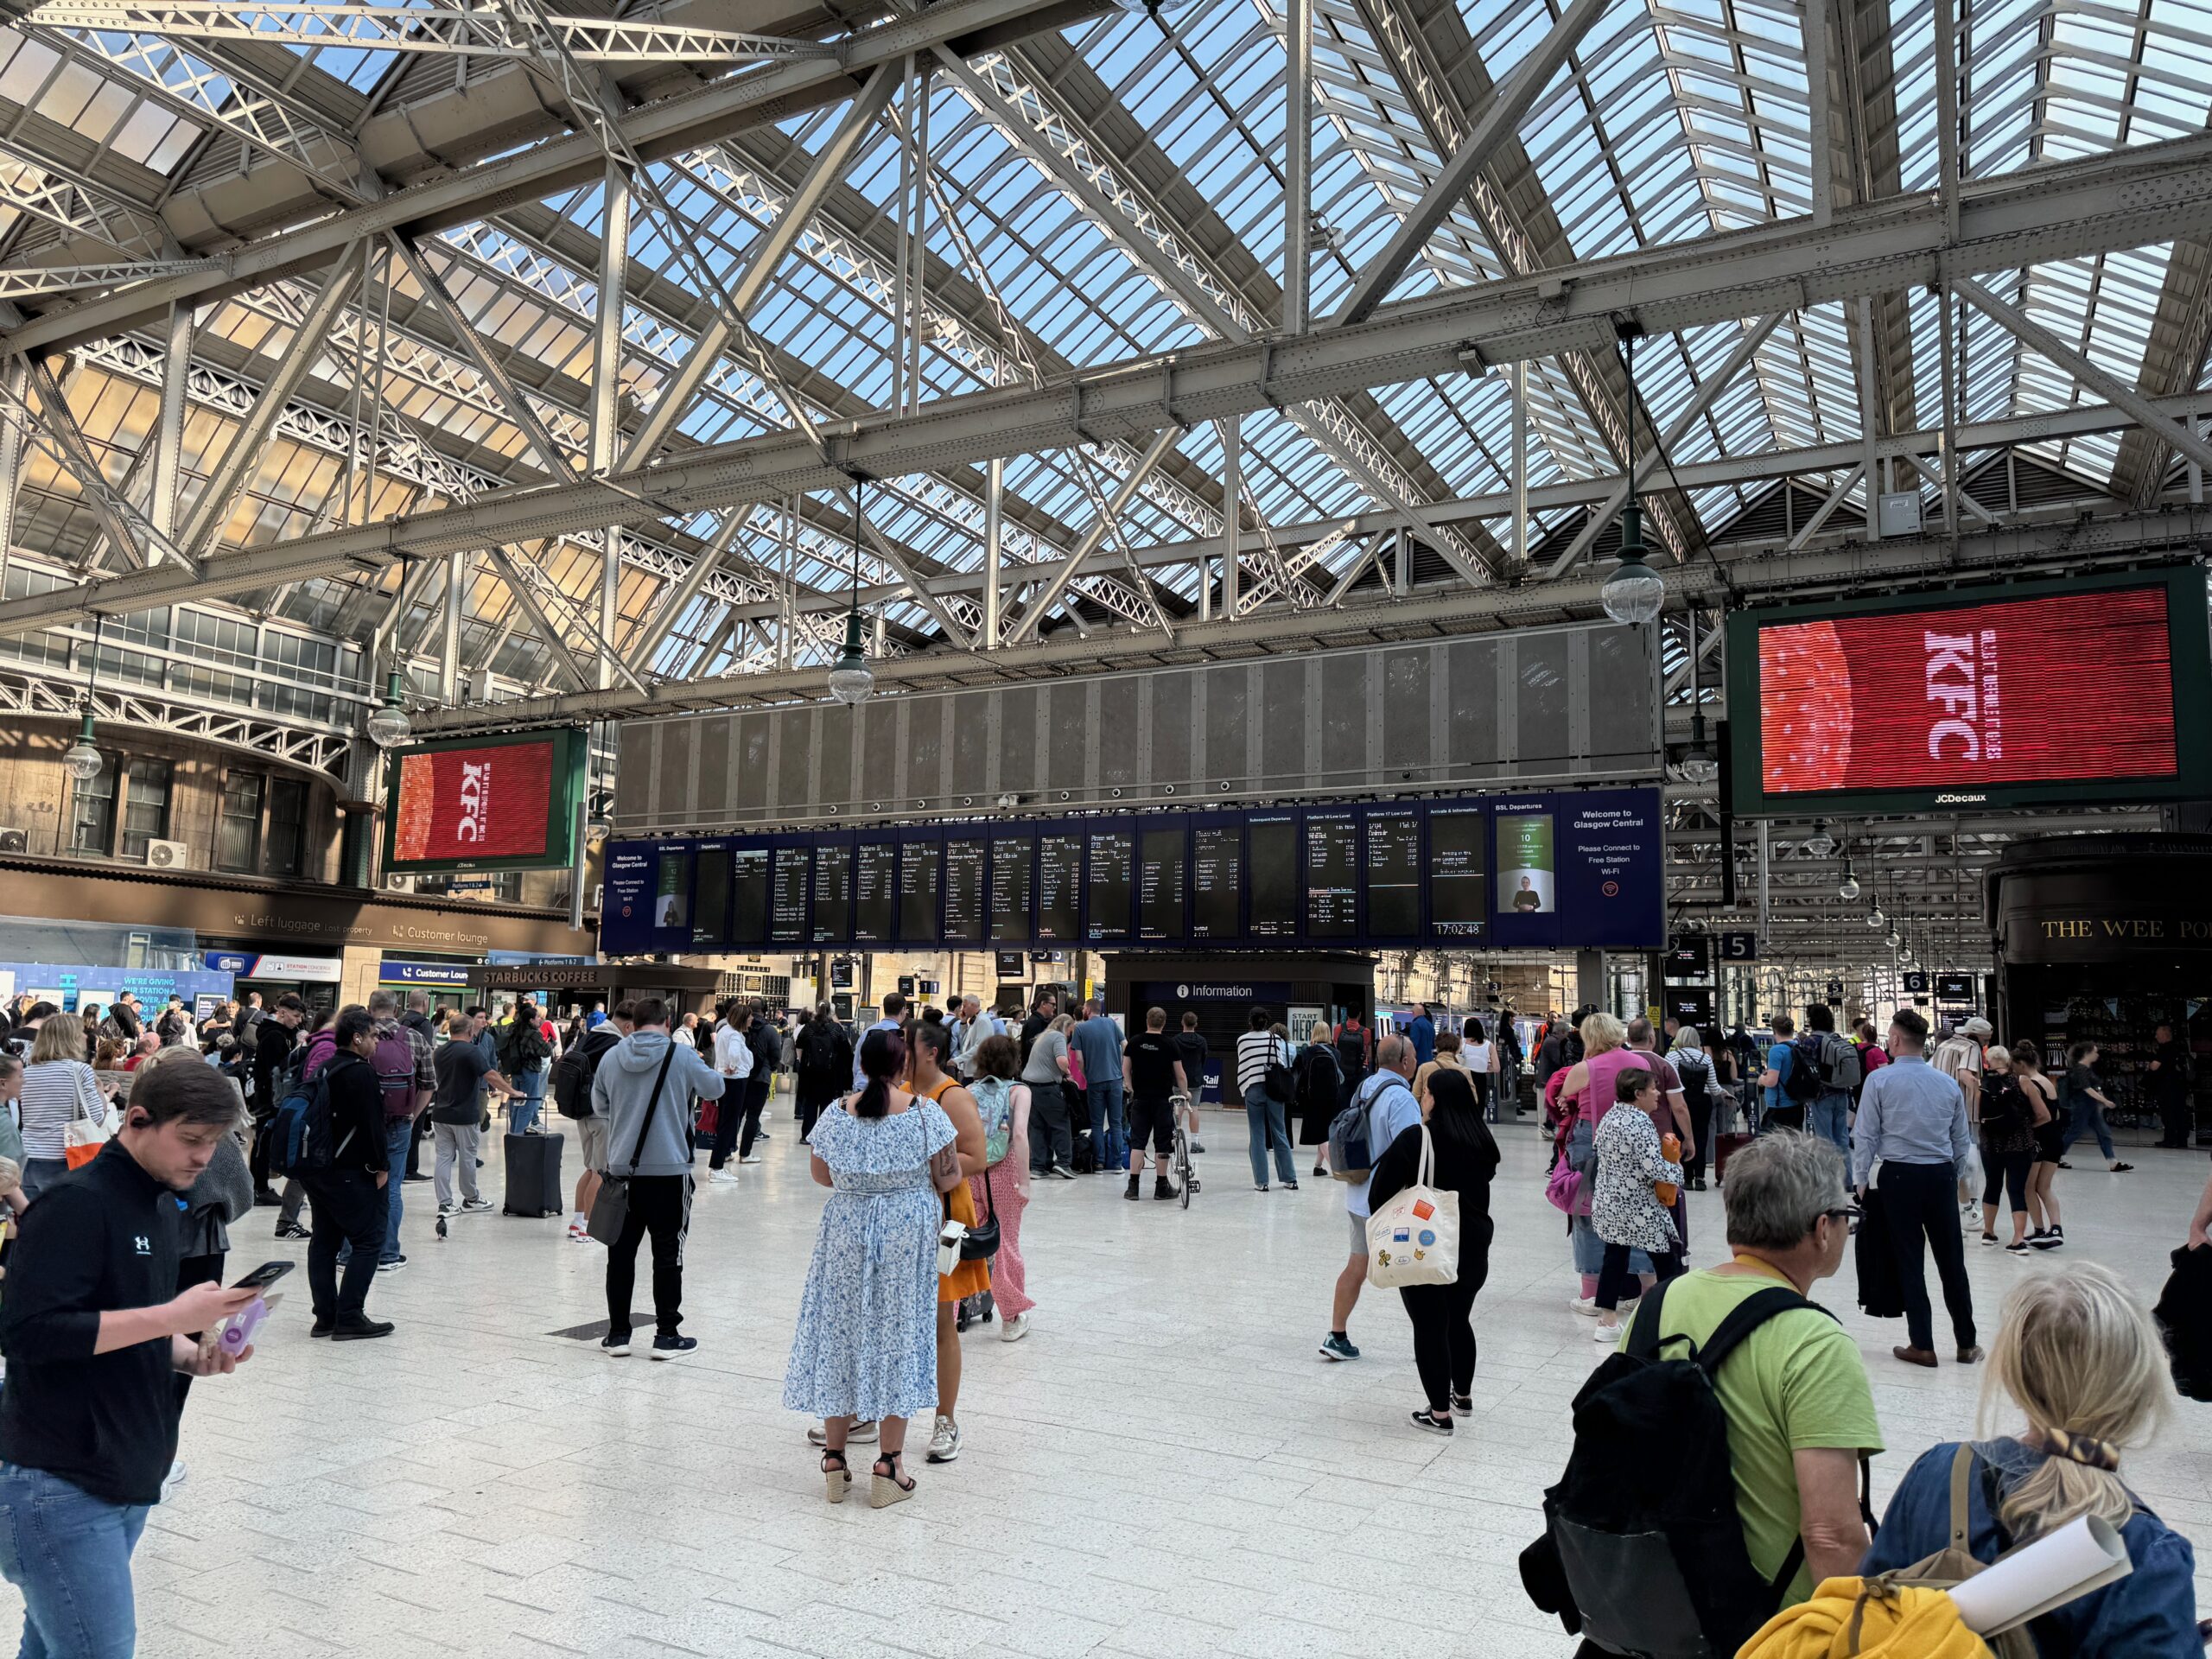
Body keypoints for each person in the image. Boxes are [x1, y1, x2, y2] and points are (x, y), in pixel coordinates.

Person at [0, 1058, 263, 1657]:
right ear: (138, 1120)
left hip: (126, 1469)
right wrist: (174, 1319)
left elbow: (127, 1319)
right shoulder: (75, 1204)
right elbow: (29, 1334)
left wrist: (190, 1355)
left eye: (215, 1144)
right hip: (60, 1480)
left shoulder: (160, 1204)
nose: (203, 1158)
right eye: (191, 1140)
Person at [1860, 1262, 2198, 1654]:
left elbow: (1870, 1611)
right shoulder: (2145, 1552)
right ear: (2135, 1384)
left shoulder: (1937, 1471)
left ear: (2015, 1373)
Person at [1626, 1131, 1881, 1609]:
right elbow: (1830, 1535)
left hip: (1660, 1595)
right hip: (1765, 1620)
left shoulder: (1661, 1302)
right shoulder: (1816, 1344)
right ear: (1823, 1229)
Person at [783, 1028, 954, 1509]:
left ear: (862, 1064)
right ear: (904, 1066)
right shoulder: (925, 1114)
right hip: (906, 1229)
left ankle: (835, 1459)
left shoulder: (837, 1114)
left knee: (840, 1331)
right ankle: (889, 1465)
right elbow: (948, 1175)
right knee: (898, 1333)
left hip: (846, 1227)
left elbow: (821, 1174)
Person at [591, 997, 725, 1360]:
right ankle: (666, 1335)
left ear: (632, 1024)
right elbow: (716, 1089)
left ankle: (618, 1334)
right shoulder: (681, 1055)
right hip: (670, 1172)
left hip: (621, 1172)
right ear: (668, 1024)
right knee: (668, 1254)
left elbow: (599, 1105)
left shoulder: (612, 1056)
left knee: (620, 1256)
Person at [1369, 1065, 1497, 1433]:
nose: (1421, 1098)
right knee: (1459, 1318)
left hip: (1428, 1244)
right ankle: (1464, 1395)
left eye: (1425, 1093)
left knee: (1429, 1324)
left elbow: (1380, 1193)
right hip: (1473, 1243)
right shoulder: (1482, 1141)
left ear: (1435, 1099)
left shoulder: (1417, 1139)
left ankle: (1439, 1414)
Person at [1853, 1007, 1979, 1369]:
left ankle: (1922, 1344)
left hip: (1897, 1178)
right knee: (1952, 1261)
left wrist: (1862, 1180)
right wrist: (1950, 1177)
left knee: (1910, 1260)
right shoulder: (1947, 1083)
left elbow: (1866, 1136)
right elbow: (1961, 1140)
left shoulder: (1879, 1081)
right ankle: (1967, 1343)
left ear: (1894, 1040)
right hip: (1939, 1176)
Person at [906, 1020, 986, 1464]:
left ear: (931, 1052)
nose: (900, 1052)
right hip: (902, 1222)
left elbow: (977, 1156)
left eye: (908, 1045)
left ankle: (946, 1420)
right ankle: (865, 1409)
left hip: (944, 1220)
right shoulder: (897, 1091)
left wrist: (925, 1169)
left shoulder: (953, 1097)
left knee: (942, 1322)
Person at [299, 1007, 398, 1340]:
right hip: (350, 1171)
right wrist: (382, 1166)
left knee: (324, 1242)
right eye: (372, 1036)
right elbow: (373, 1125)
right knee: (369, 1241)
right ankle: (351, 1316)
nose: (375, 1042)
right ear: (357, 1038)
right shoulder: (361, 1072)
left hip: (319, 1169)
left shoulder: (325, 1066)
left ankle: (325, 1316)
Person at [1320, 1034, 1422, 1362]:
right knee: (1416, 1273)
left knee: (1356, 1266)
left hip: (1358, 1194)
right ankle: (1431, 1338)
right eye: (1415, 1056)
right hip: (1389, 1203)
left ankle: (1337, 1334)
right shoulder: (1402, 1099)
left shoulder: (1365, 1087)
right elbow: (1412, 1151)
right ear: (1405, 1061)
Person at [1590, 1068, 1687, 1343]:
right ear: (1638, 1094)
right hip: (1639, 1208)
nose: (1658, 1094)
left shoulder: (1611, 1116)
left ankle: (1607, 1321)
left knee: (1615, 1257)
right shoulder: (1640, 1122)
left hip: (1610, 1202)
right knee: (1666, 1260)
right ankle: (1670, 1317)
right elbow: (1652, 1166)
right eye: (1653, 1089)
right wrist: (1678, 1171)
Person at [968, 1035, 1034, 1343]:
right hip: (1004, 1171)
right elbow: (1019, 1135)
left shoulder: (968, 1092)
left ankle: (952, 1307)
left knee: (964, 1238)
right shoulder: (1019, 1091)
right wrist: (1025, 1181)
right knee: (1005, 1243)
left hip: (972, 1171)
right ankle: (1011, 1318)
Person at [366, 988, 435, 1273]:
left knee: (357, 1186)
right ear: (396, 1011)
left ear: (370, 1009)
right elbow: (429, 1084)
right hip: (400, 1122)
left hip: (362, 1125)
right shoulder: (416, 1038)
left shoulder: (359, 1036)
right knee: (392, 1188)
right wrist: (411, 1115)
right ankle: (388, 1254)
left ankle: (349, 1253)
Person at [429, 1015, 518, 1219]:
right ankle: (471, 1199)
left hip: (441, 1113)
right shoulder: (472, 1050)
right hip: (464, 1115)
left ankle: (445, 1204)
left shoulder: (440, 1052)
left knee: (443, 1157)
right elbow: (491, 1075)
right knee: (468, 1156)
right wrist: (512, 1091)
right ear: (470, 1031)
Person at [18, 1013, 104, 1202]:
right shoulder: (79, 1070)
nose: (85, 1036)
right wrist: (100, 1090)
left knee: (35, 1220)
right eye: (81, 1032)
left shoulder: (27, 1072)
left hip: (27, 1157)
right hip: (63, 1156)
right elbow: (96, 1117)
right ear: (70, 1038)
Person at [566, 1001, 628, 1242]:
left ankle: (577, 1221)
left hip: (582, 1113)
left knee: (590, 1170)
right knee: (601, 1173)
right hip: (602, 1114)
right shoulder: (616, 1044)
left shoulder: (590, 1035)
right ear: (628, 1024)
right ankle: (588, 1228)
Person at [1975, 1045, 2037, 1256]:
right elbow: (2042, 1113)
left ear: (1989, 1062)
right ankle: (2018, 1238)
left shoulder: (1982, 1084)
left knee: (1992, 1185)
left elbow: (1979, 1114)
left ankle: (1988, 1232)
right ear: (2008, 1061)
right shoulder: (2022, 1081)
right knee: (2016, 1189)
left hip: (1991, 1143)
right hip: (2019, 1143)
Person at [246, 993, 306, 1205]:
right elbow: (278, 1069)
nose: (299, 1021)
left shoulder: (281, 1034)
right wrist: (299, 1053)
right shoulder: (274, 1037)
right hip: (270, 1096)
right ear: (282, 1013)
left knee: (264, 1140)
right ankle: (259, 1187)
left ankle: (259, 1185)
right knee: (263, 1141)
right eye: (296, 1016)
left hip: (273, 1095)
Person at [1121, 1007, 1185, 1201]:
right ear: (1163, 1023)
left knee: (1138, 1142)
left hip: (1140, 1099)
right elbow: (1180, 1074)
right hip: (1163, 1100)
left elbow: (1125, 1068)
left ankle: (1133, 1188)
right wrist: (1185, 1093)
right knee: (1162, 1144)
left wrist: (1131, 1087)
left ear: (1147, 1020)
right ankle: (1161, 1187)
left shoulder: (1135, 1042)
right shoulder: (1170, 1044)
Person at [1234, 1005, 1296, 1192]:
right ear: (1266, 1022)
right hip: (1274, 1089)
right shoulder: (1275, 1039)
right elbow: (1280, 1062)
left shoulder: (1242, 1040)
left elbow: (1245, 1064)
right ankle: (1290, 1178)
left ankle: (1262, 1181)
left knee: (1257, 1134)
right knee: (1280, 1132)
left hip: (1253, 1089)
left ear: (1250, 1022)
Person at [1069, 1000, 1127, 1173]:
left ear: (1087, 1010)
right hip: (1115, 1079)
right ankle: (1117, 1164)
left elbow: (1078, 1059)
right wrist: (1121, 1068)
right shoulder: (1110, 1023)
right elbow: (1125, 1045)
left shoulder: (1080, 1028)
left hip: (1095, 1081)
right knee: (1116, 1123)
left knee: (1097, 1123)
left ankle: (1099, 1163)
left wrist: (1087, 1074)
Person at [2061, 1040, 2133, 1173]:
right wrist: (2104, 1101)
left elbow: (2092, 1087)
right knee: (2075, 1132)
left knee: (2103, 1132)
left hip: (2090, 1106)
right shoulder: (2080, 1070)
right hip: (2081, 1105)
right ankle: (2057, 1156)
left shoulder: (2086, 1069)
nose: (2097, 1055)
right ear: (2087, 1053)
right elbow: (2087, 1089)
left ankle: (2113, 1162)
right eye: (2095, 1052)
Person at [1021, 1009, 1075, 1180]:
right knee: (1060, 1124)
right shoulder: (1058, 1037)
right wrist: (1067, 1073)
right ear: (1067, 1027)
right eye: (1070, 1031)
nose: (1070, 1035)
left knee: (1037, 1127)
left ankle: (1038, 1166)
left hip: (1030, 1087)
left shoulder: (1043, 1036)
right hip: (1048, 1088)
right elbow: (1061, 1060)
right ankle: (1063, 1163)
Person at [2024, 1043, 2068, 1250]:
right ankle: (2056, 1228)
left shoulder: (2029, 1083)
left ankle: (2039, 1229)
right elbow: (2057, 1114)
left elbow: (2040, 1114)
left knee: (2028, 1187)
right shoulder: (2048, 1082)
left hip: (2038, 1139)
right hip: (2055, 1138)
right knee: (2045, 1186)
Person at [706, 1000, 755, 1185]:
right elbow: (734, 1054)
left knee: (725, 1123)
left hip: (724, 1080)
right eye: (749, 1016)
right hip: (736, 1081)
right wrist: (732, 1066)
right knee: (729, 1124)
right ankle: (717, 1168)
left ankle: (718, 1165)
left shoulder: (724, 1030)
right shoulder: (734, 1035)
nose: (751, 1019)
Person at [794, 1002, 853, 1146]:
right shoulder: (836, 1029)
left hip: (810, 1074)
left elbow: (798, 1045)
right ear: (831, 1013)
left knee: (810, 1104)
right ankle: (824, 1135)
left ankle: (806, 1135)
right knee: (827, 1104)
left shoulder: (809, 1028)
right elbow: (846, 1050)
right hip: (831, 1074)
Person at [1669, 1024, 1719, 1192]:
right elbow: (1713, 1087)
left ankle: (1686, 1177)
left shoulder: (1672, 1057)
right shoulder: (1706, 1058)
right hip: (1703, 1102)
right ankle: (1700, 1177)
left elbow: (1670, 1084)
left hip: (1681, 1100)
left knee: (1681, 1137)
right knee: (1701, 1138)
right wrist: (1725, 1094)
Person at [1294, 1020, 1343, 1178]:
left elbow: (1300, 1071)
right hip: (1331, 1097)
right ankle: (1318, 1166)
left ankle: (1335, 1168)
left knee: (1320, 1134)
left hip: (1312, 1097)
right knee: (1325, 1131)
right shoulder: (1336, 1053)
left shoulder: (1308, 1052)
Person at [499, 1001, 554, 1135]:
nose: (540, 1019)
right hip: (530, 1070)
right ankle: (518, 1134)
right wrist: (551, 1043)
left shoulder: (515, 1029)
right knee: (528, 1104)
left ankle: (513, 1131)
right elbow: (546, 1051)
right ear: (531, 1020)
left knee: (516, 1102)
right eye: (537, 1018)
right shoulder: (533, 1034)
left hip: (516, 1070)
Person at [2148, 1020, 2192, 1148]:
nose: (2156, 1036)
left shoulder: (2166, 1049)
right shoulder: (2179, 1047)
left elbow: (2154, 1067)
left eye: (2157, 1033)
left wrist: (2150, 1065)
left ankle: (2170, 1139)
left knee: (2168, 1113)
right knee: (2179, 1112)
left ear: (2164, 1034)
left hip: (2168, 1087)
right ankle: (2182, 1140)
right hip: (2180, 1086)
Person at [1758, 1013, 1804, 1133]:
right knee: (1794, 1143)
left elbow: (1771, 1081)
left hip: (1779, 1106)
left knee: (1771, 1145)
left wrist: (1761, 1079)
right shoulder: (1798, 1047)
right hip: (1797, 1103)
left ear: (1774, 1031)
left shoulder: (1776, 1050)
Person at [852, 990, 906, 1091]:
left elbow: (856, 1064)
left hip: (863, 1087)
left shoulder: (867, 1032)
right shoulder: (902, 1035)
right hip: (892, 1091)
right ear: (903, 1010)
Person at [1172, 1010, 1210, 1150]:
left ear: (1182, 1023)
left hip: (1178, 1080)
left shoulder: (1175, 1040)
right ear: (1196, 1024)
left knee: (1178, 1109)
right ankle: (1195, 1143)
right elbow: (1204, 1059)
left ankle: (1174, 1140)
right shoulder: (1202, 1041)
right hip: (1195, 1080)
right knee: (1194, 1109)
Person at [1412, 1027, 1470, 1109]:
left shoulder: (1424, 1068)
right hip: (1456, 1118)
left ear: (1437, 1048)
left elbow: (1415, 1096)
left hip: (1430, 1117)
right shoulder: (1464, 1071)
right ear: (1457, 1050)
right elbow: (1473, 1099)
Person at [1462, 1016, 1500, 1121]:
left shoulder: (1462, 1044)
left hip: (1464, 1078)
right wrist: (1486, 1067)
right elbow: (1497, 1068)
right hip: (1480, 1079)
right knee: (1479, 1106)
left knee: (1465, 1107)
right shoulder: (1489, 1045)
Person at [1405, 1002, 1435, 1068]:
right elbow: (1433, 1045)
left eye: (1413, 1012)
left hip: (1419, 1061)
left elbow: (1414, 1044)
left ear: (1415, 1013)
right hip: (1430, 1060)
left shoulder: (1416, 1024)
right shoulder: (1430, 1025)